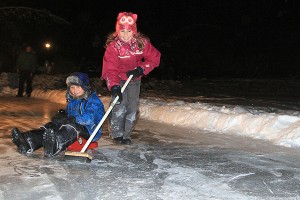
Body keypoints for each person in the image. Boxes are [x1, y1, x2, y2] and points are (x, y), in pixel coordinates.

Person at [11, 72, 105, 157]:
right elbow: (68, 114)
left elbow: (91, 118)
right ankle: (29, 141)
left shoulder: (93, 101)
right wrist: (62, 115)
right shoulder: (73, 100)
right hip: (73, 125)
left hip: (90, 130)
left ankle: (55, 145)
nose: (75, 91)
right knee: (52, 126)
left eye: (78, 87)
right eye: (72, 87)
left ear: (85, 87)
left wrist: (73, 119)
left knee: (72, 127)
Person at [101, 12, 161, 145]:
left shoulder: (141, 43)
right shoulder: (113, 48)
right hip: (117, 78)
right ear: (117, 31)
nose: (126, 34)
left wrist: (141, 68)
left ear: (134, 31)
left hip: (134, 78)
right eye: (122, 31)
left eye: (129, 31)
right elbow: (109, 69)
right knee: (119, 104)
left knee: (132, 107)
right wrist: (114, 86)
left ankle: (126, 135)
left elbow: (155, 58)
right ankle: (117, 134)